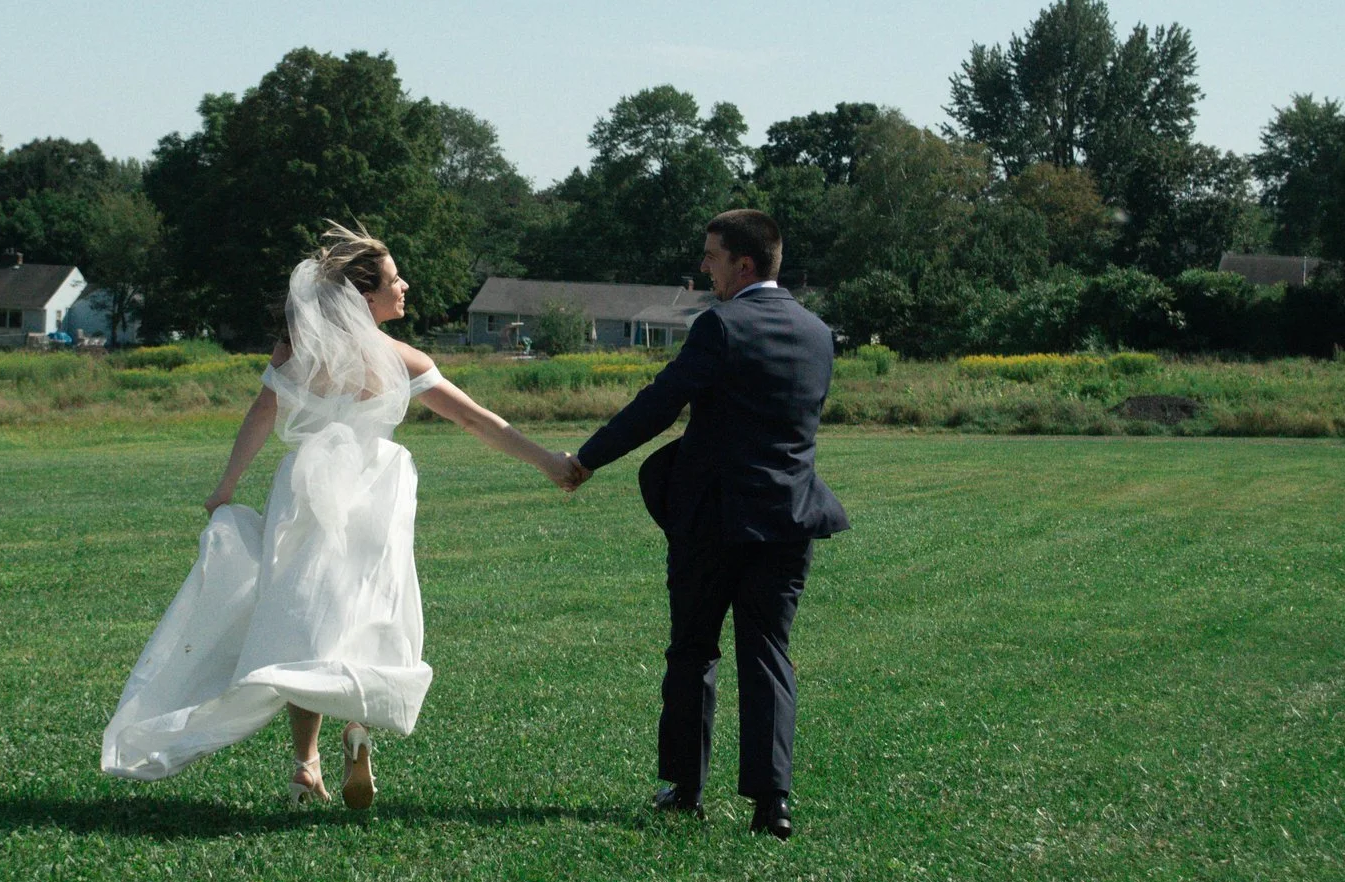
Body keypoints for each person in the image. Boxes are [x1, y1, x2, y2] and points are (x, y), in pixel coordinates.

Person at [102, 224, 581, 807]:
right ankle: (357, 730)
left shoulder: (296, 353)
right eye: (394, 278)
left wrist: (225, 488)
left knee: (303, 623)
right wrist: (549, 462)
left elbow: (260, 415)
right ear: (365, 296)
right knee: (368, 614)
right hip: (375, 492)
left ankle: (306, 763)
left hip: (306, 491)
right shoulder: (401, 359)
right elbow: (477, 420)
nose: (404, 285)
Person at [553, 209, 848, 840]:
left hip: (714, 520)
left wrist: (588, 459)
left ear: (744, 264)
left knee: (693, 652)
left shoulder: (720, 325)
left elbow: (661, 403)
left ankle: (683, 790)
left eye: (712, 256)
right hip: (790, 520)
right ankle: (773, 804)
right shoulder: (818, 331)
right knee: (769, 655)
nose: (704, 266)